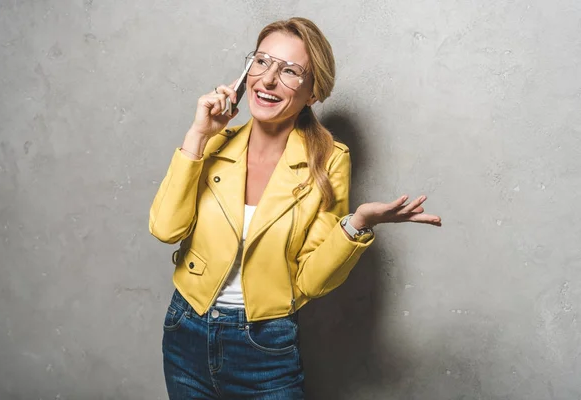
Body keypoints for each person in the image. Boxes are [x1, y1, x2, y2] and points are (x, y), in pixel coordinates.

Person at [149, 17, 441, 400]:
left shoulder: (330, 160)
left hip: (265, 345)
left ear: (313, 92)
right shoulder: (214, 141)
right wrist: (197, 136)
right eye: (261, 62)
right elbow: (166, 229)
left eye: (289, 71)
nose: (268, 80)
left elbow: (310, 281)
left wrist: (356, 224)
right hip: (185, 330)